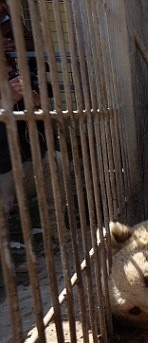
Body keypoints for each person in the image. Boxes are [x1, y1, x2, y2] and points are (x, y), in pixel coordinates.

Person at [0, 0, 63, 240]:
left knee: (55, 162)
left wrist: (35, 103)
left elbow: (33, 55)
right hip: (2, 165)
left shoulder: (15, 32)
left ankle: (55, 231)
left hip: (23, 158)